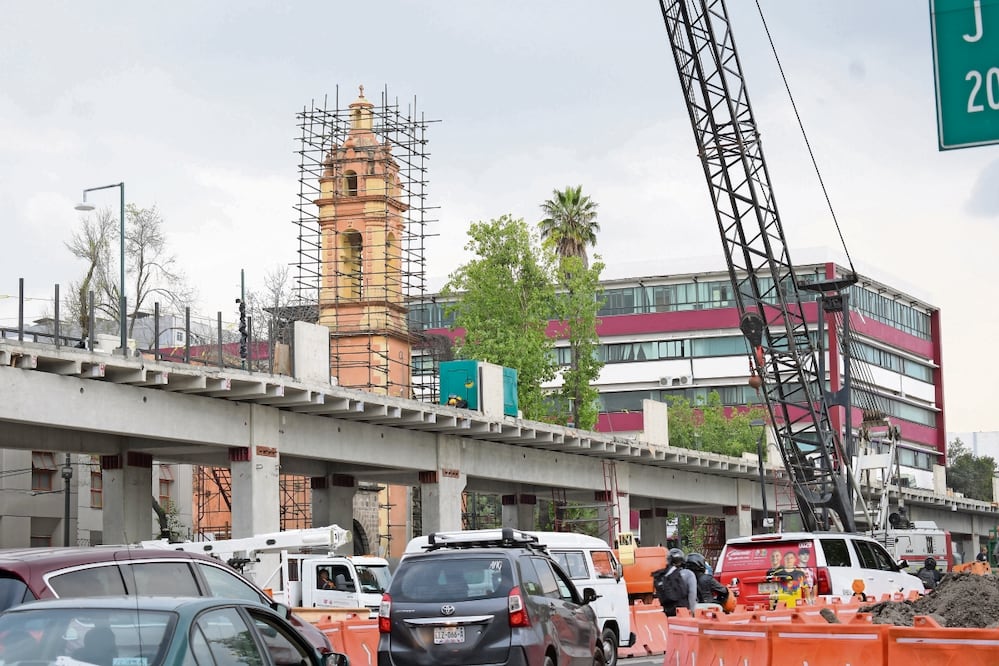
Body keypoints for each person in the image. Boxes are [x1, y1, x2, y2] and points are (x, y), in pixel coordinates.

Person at [652, 548, 698, 617]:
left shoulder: (663, 575)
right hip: (683, 612)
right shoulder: (688, 574)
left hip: (668, 612)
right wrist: (692, 612)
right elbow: (692, 594)